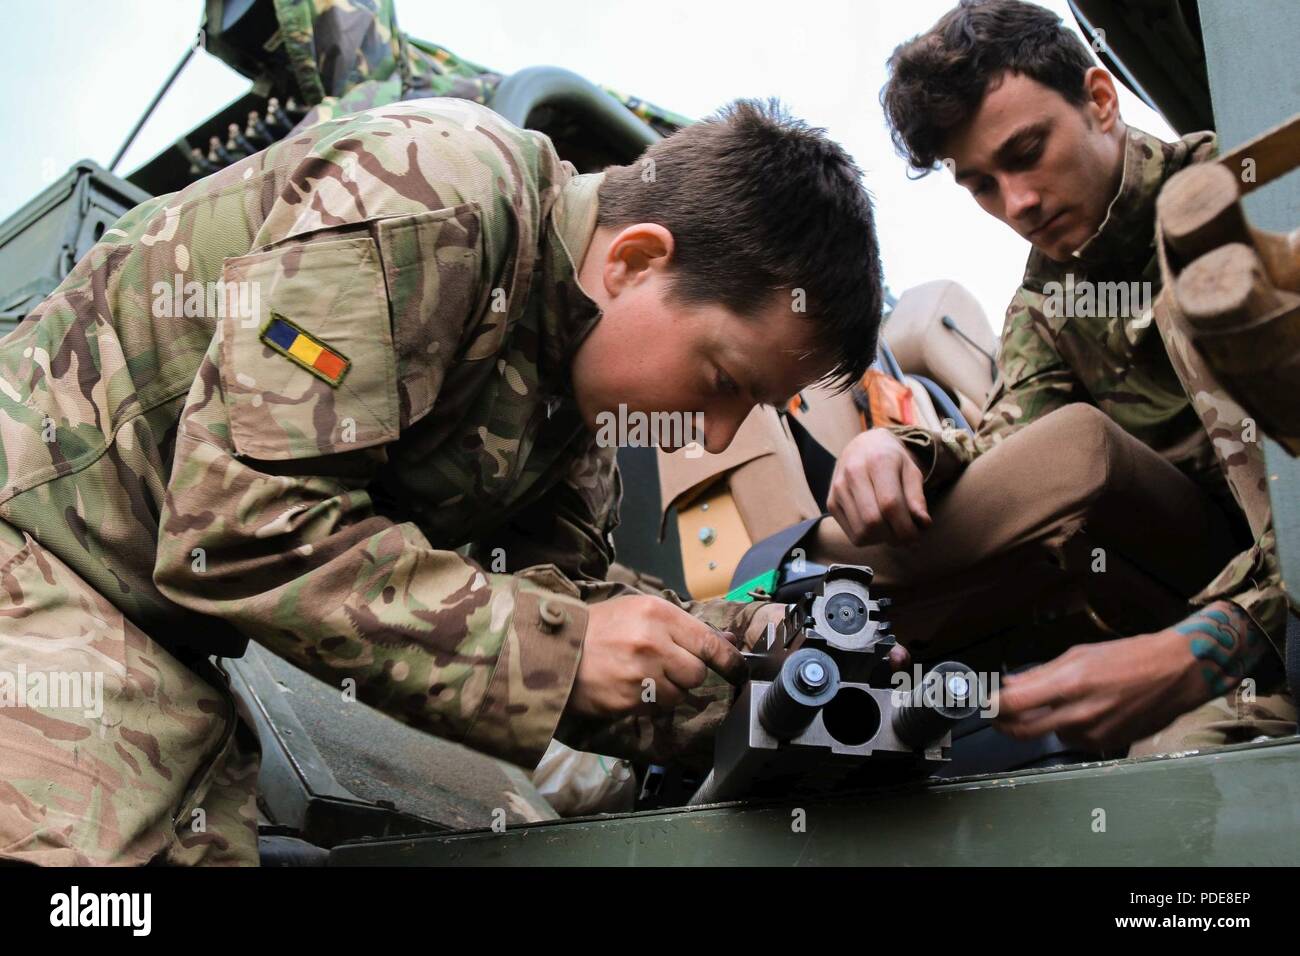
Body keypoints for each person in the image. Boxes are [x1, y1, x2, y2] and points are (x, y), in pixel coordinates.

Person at [0, 97, 883, 864]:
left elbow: (557, 604)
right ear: (634, 263)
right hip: (40, 539)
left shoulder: (578, 403)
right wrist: (562, 653)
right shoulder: (428, 197)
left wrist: (774, 665)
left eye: (753, 409)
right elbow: (241, 524)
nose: (716, 432)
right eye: (724, 381)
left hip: (162, 630)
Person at [829, 0, 1294, 755]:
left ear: (1101, 101)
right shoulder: (1048, 303)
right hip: (1237, 618)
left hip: (1268, 618)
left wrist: (1206, 648)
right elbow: (1012, 446)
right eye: (981, 185)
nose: (1017, 204)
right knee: (1165, 782)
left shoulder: (1249, 197)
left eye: (1026, 152)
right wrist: (898, 451)